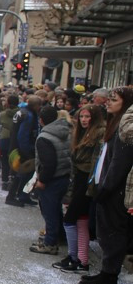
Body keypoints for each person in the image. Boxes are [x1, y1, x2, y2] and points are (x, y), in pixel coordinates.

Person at [79, 87, 133, 284]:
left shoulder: (124, 128)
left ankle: (109, 275)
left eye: (114, 99)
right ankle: (106, 272)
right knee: (105, 230)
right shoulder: (116, 124)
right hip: (107, 185)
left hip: (115, 190)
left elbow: (120, 163)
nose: (108, 103)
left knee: (113, 232)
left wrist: (107, 187)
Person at [54, 104, 104, 273]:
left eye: (87, 116)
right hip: (79, 180)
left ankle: (76, 257)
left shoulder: (99, 133)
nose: (84, 120)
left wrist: (90, 188)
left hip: (88, 182)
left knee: (69, 219)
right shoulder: (80, 133)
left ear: (94, 118)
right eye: (82, 116)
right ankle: (80, 260)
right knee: (81, 220)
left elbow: (97, 163)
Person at [30, 106, 71, 255]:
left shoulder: (45, 137)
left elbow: (49, 163)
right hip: (64, 175)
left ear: (41, 120)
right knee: (56, 210)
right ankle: (59, 236)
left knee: (50, 211)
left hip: (52, 179)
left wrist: (42, 180)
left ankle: (50, 243)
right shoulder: (64, 131)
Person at [5, 96, 42, 207]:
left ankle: (23, 195)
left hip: (16, 146)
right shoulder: (29, 116)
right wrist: (26, 151)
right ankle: (11, 196)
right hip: (22, 148)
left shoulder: (22, 112)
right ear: (36, 106)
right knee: (20, 173)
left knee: (26, 173)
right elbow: (23, 135)